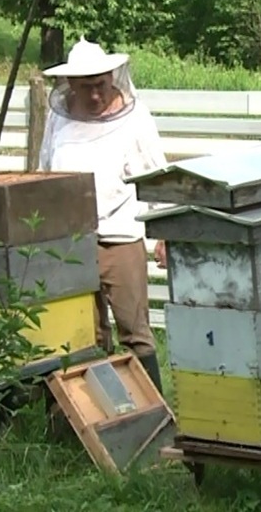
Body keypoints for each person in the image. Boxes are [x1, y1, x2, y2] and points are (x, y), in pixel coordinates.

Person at [38, 37, 171, 393]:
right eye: (85, 88)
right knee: (85, 335)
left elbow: (156, 175)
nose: (95, 95)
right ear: (70, 85)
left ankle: (153, 417)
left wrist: (164, 233)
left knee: (135, 331)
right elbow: (44, 170)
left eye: (100, 85)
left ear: (112, 77)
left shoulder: (135, 117)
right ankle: (97, 419)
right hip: (71, 240)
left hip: (121, 236)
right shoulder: (58, 117)